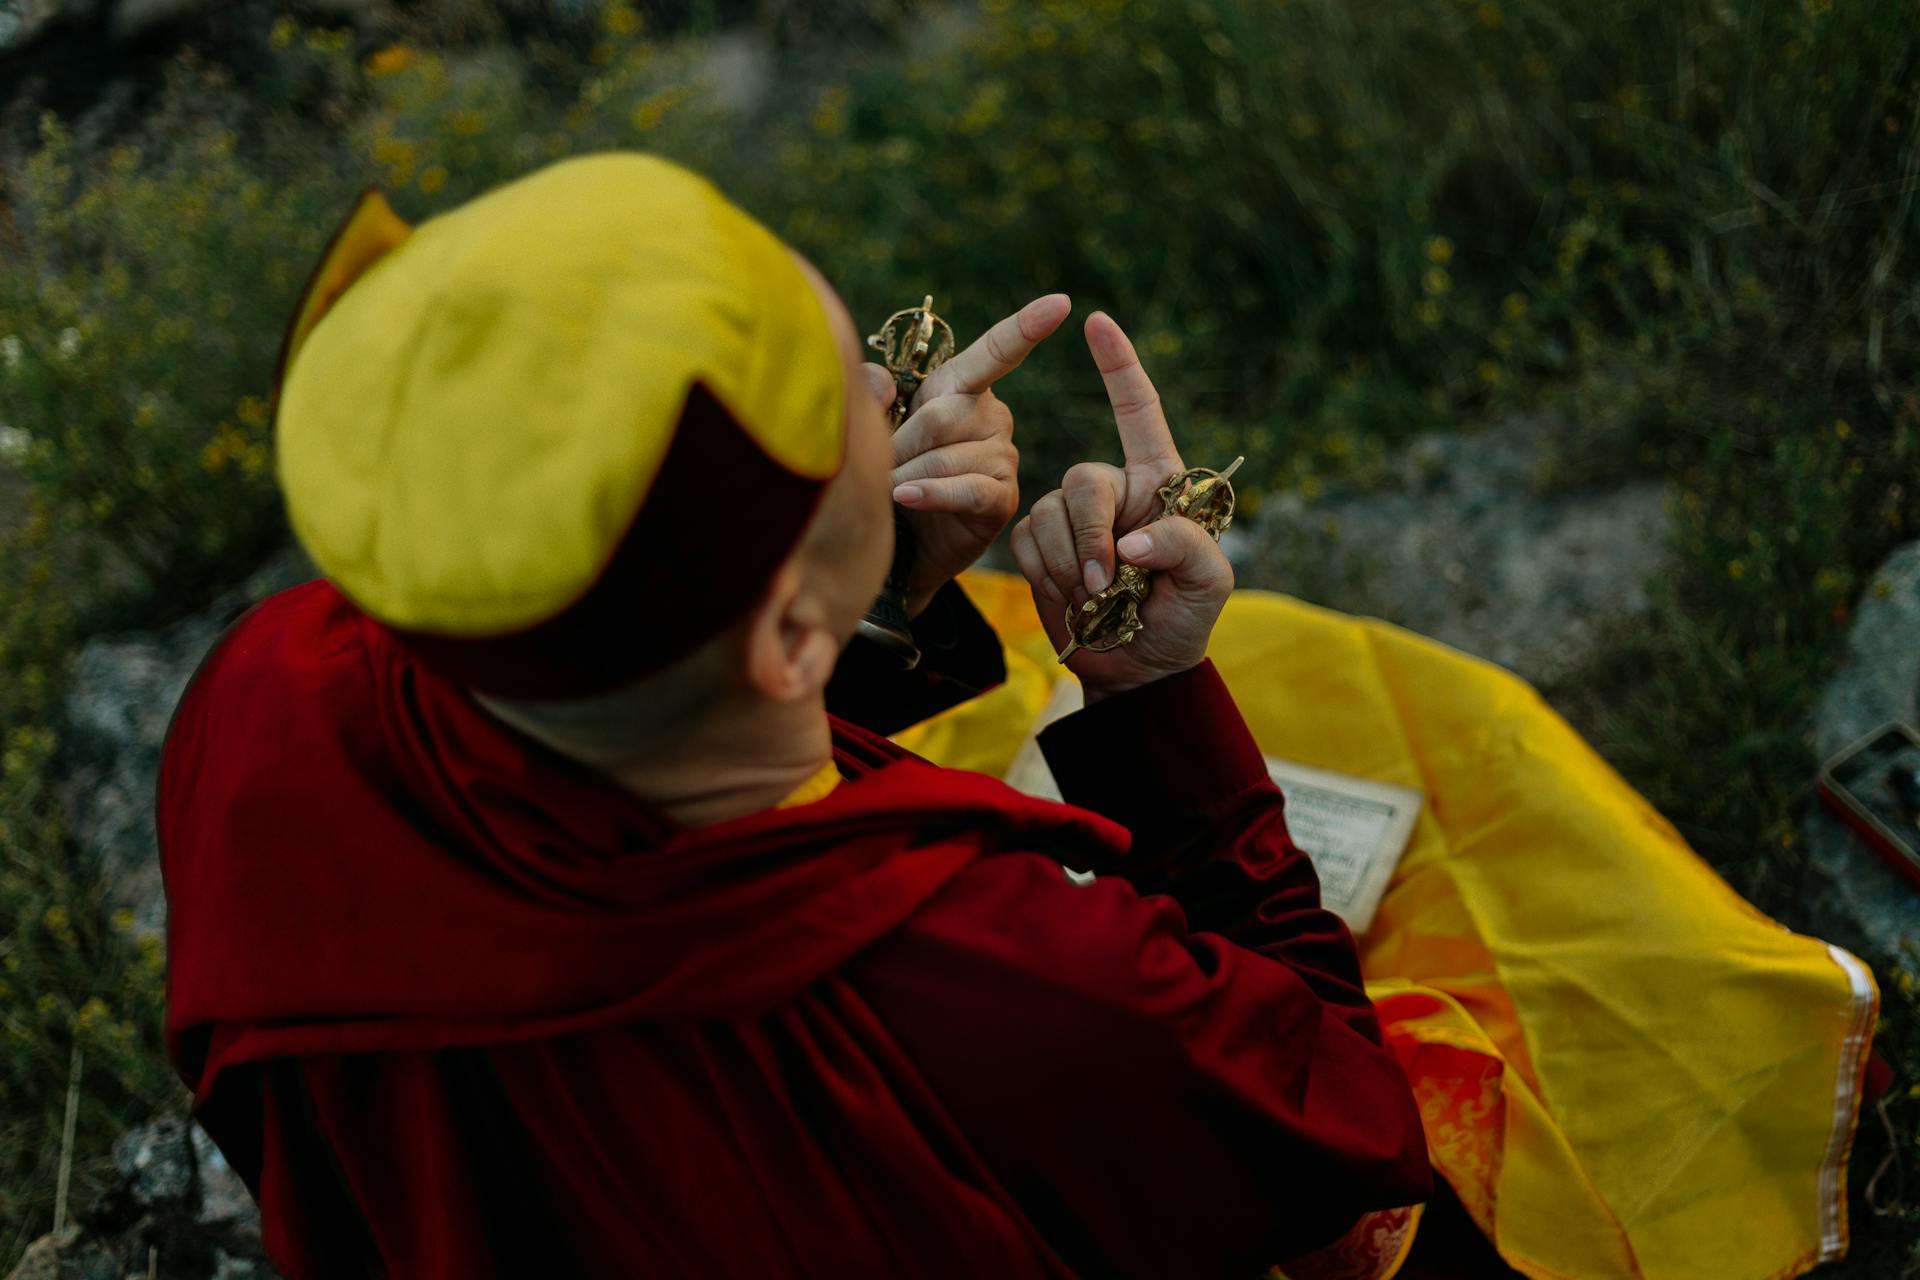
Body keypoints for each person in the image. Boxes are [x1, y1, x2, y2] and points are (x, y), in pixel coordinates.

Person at [157, 152, 1434, 1278]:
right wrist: (1151, 695)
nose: (898, 395)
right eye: (855, 417)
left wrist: (873, 591)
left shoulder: (259, 702)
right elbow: (1349, 1142)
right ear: (782, 637)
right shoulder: (1029, 983)